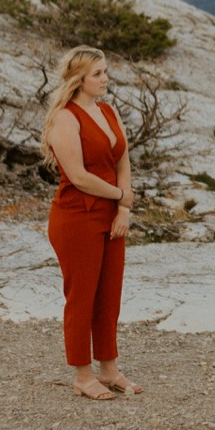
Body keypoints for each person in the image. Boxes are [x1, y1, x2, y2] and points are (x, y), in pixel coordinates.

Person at [42, 46, 141, 401]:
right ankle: (83, 376)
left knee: (109, 296)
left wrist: (123, 209)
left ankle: (109, 369)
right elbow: (80, 177)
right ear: (78, 79)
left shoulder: (108, 110)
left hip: (112, 213)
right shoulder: (64, 119)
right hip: (77, 216)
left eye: (105, 72)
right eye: (98, 73)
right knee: (81, 297)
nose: (105, 79)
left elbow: (122, 158)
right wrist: (119, 196)